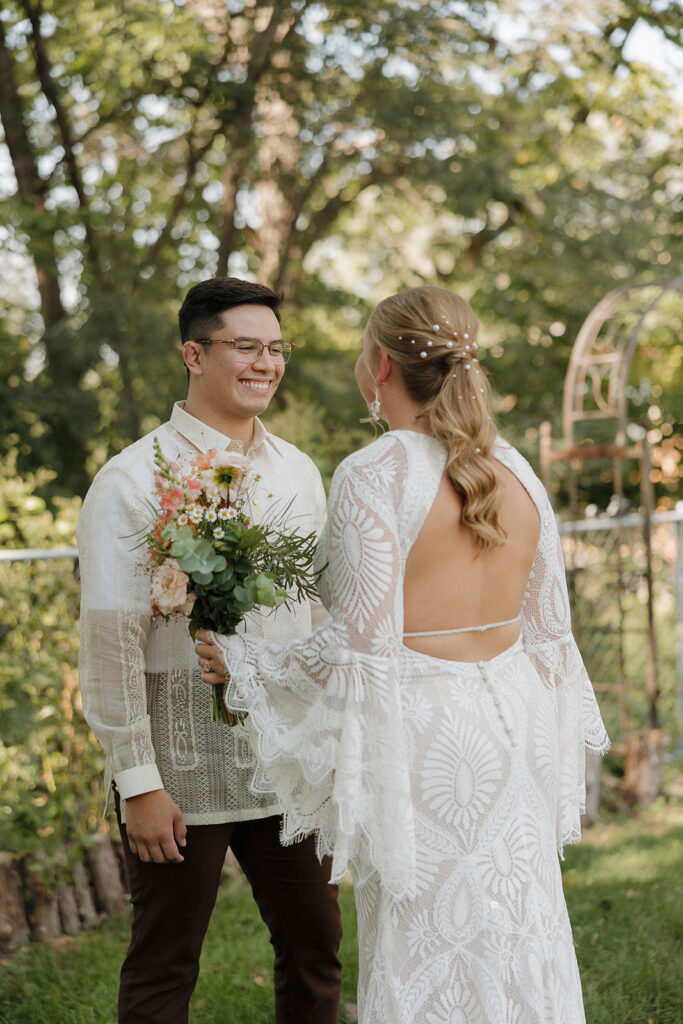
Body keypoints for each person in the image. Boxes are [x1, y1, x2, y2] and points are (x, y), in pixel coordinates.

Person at [196, 285, 610, 1024]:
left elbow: (357, 646)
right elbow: (551, 635)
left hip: (425, 740)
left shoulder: (374, 474)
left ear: (380, 366)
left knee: (424, 935)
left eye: (362, 350)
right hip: (509, 733)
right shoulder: (517, 473)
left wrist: (248, 663)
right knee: (517, 924)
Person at [77, 277, 342, 1024]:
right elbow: (109, 644)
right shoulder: (132, 480)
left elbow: (316, 611)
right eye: (246, 347)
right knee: (166, 961)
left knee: (316, 947)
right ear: (194, 354)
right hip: (180, 764)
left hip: (288, 754)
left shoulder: (298, 472)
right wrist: (139, 782)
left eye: (276, 349)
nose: (266, 363)